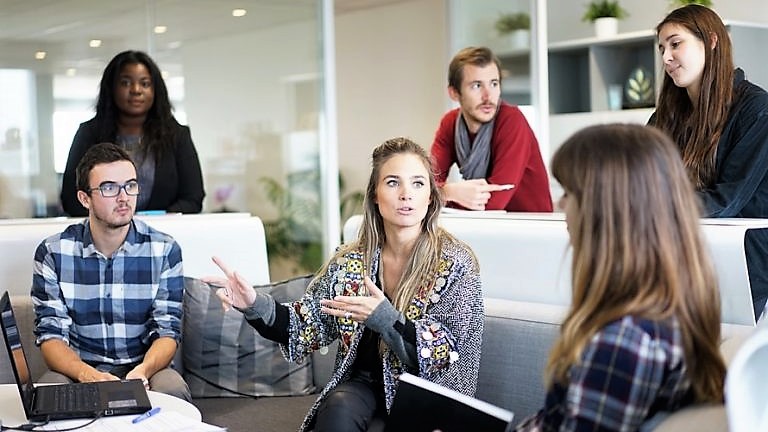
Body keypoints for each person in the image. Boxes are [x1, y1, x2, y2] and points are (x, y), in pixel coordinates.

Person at [203, 137, 484, 432]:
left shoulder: (456, 264)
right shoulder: (350, 261)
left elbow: (448, 355)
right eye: (392, 183)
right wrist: (253, 303)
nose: (406, 194)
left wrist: (386, 319)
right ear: (375, 194)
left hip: (424, 394)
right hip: (362, 385)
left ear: (430, 196)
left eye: (417, 183)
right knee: (337, 406)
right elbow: (306, 324)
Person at [515, 124, 726, 431]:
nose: (561, 206)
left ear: (605, 211)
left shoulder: (624, 342)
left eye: (569, 193)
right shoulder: (666, 312)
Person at [32, 142, 191, 401]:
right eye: (109, 188)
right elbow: (50, 336)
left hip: (145, 369)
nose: (124, 197)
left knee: (172, 389)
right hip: (79, 370)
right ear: (85, 198)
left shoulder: (164, 249)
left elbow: (167, 331)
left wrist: (143, 371)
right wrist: (89, 375)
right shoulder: (53, 252)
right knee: (48, 391)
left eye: (130, 185)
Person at [648, 4, 768, 320]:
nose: (666, 58)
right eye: (662, 48)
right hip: (683, 248)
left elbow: (727, 200)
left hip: (745, 258)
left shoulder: (757, 109)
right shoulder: (665, 117)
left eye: (676, 44)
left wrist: (652, 206)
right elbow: (640, 179)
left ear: (711, 41)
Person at [60, 50, 205, 217]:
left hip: (163, 235)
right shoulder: (89, 134)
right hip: (103, 236)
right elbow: (71, 198)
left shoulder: (178, 136)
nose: (136, 90)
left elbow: (193, 198)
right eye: (125, 83)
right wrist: (114, 221)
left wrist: (155, 222)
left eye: (145, 84)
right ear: (111, 88)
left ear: (156, 90)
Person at [430, 46, 552, 212]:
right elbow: (424, 185)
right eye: (476, 86)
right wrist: (448, 191)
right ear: (454, 93)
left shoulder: (511, 120)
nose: (488, 96)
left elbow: (494, 202)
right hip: (485, 227)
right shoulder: (450, 123)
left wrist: (443, 194)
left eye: (494, 84)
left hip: (530, 228)